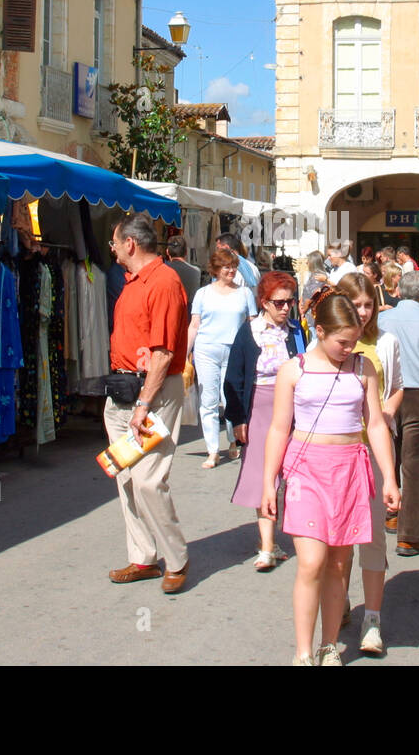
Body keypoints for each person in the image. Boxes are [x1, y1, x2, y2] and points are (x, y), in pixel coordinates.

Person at [263, 293, 401, 666]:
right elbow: (278, 429)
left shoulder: (363, 368)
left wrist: (389, 477)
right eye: (342, 341)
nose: (348, 348)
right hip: (306, 469)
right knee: (311, 562)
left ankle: (328, 645)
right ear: (319, 331)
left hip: (351, 469)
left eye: (354, 341)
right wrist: (267, 484)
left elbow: (374, 424)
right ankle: (303, 652)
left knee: (340, 563)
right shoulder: (294, 370)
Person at [105, 213, 191, 593]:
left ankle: (177, 559)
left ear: (130, 244)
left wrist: (142, 404)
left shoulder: (164, 281)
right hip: (124, 391)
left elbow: (162, 352)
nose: (111, 249)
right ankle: (143, 556)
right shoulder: (134, 281)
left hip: (151, 394)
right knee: (126, 477)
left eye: (113, 242)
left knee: (148, 479)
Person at [337, 272, 403, 656]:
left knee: (374, 535)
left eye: (368, 305)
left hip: (375, 449)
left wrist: (384, 412)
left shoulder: (387, 341)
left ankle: (373, 619)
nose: (363, 312)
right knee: (341, 536)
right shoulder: (332, 343)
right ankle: (340, 598)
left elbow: (397, 388)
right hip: (340, 451)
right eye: (356, 305)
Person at [225, 271, 306, 570]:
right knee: (264, 474)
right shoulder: (249, 332)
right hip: (259, 407)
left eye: (290, 301)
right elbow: (234, 376)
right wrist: (236, 418)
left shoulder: (297, 331)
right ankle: (267, 546)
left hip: (294, 408)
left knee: (293, 474)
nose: (286, 308)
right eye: (280, 302)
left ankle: (289, 537)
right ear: (264, 302)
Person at [378, 271, 419, 557]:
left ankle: (392, 511)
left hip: (388, 393)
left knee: (390, 456)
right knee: (414, 468)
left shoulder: (382, 319)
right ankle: (409, 535)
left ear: (399, 291)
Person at [188, 248, 257, 468]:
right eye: (227, 267)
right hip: (206, 349)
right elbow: (195, 325)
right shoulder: (203, 293)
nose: (231, 271)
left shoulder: (245, 293)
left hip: (235, 351)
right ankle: (212, 450)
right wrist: (185, 353)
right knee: (208, 400)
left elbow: (253, 323)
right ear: (216, 269)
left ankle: (233, 440)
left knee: (231, 398)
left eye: (233, 266)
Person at [165, 235, 201, 300]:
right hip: (189, 308)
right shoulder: (196, 271)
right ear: (186, 252)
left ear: (167, 252)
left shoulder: (163, 270)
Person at [300, 250, 330, 318]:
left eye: (308, 260)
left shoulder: (318, 277)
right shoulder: (315, 275)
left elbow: (312, 296)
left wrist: (303, 310)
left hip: (312, 316)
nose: (306, 262)